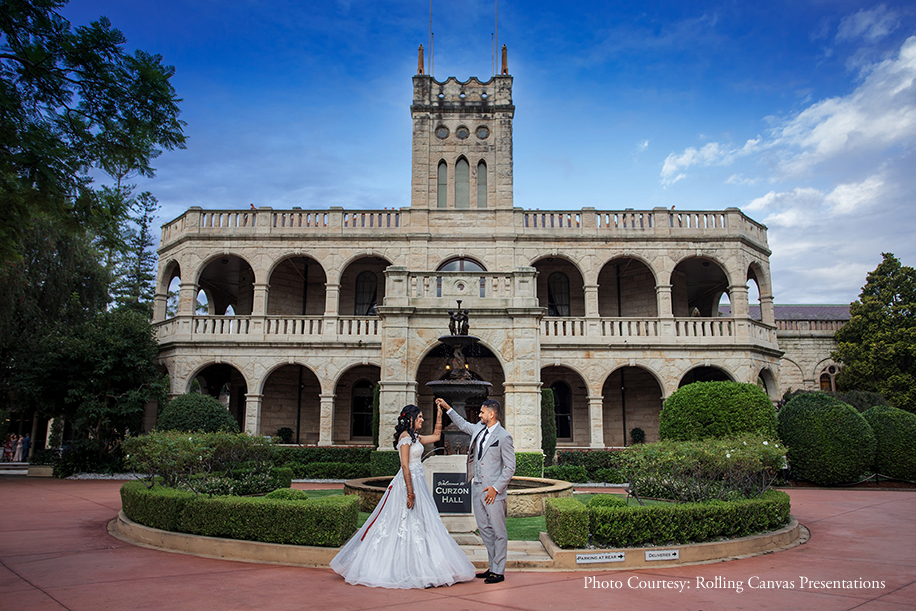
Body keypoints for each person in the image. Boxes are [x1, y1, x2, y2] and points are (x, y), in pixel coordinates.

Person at [330, 403, 476, 589]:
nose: (422, 420)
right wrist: (410, 492)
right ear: (411, 419)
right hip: (408, 484)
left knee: (422, 521)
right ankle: (396, 566)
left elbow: (437, 436)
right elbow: (405, 466)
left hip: (419, 482)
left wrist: (440, 414)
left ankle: (423, 565)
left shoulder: (415, 437)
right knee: (401, 521)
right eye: (420, 417)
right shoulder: (405, 438)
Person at [436, 397, 515, 584]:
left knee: (498, 531)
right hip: (477, 487)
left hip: (492, 491)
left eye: (481, 412)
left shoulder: (504, 437)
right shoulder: (478, 429)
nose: (479, 415)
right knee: (484, 529)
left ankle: (499, 571)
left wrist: (496, 488)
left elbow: (510, 467)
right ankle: (492, 566)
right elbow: (462, 423)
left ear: (491, 414)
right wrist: (448, 407)